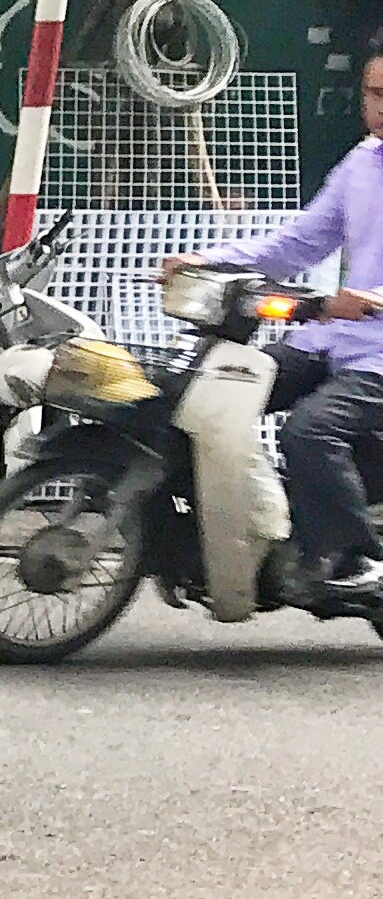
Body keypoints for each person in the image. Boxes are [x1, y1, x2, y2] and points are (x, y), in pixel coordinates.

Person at [175, 46, 383, 601]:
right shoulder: (363, 164)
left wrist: (373, 298)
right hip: (335, 337)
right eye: (374, 93)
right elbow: (298, 243)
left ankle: (356, 560)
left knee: (308, 432)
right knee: (213, 392)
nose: (381, 106)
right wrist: (209, 261)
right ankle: (232, 532)